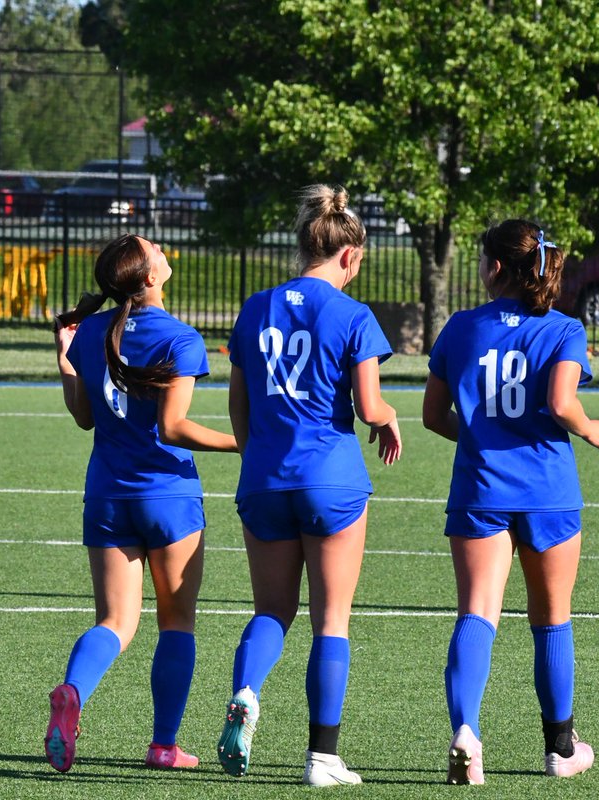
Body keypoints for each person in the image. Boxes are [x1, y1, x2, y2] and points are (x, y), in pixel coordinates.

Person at [422, 219, 599, 785]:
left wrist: (483, 436)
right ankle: (560, 747)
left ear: (495, 268)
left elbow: (434, 416)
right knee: (551, 618)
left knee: (477, 611)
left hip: (481, 490)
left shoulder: (460, 328)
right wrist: (591, 427)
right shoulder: (563, 329)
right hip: (547, 493)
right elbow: (561, 402)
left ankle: (465, 731)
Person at [218, 184, 402, 786]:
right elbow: (370, 406)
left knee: (272, 610)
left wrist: (259, 457)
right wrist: (389, 417)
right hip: (331, 480)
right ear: (348, 256)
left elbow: (238, 406)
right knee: (332, 621)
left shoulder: (255, 307)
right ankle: (322, 758)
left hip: (264, 479)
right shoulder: (353, 314)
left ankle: (246, 691)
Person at [45, 232, 239, 773]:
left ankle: (72, 694)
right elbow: (172, 428)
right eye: (153, 248)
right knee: (176, 621)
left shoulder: (92, 336)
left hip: (108, 494)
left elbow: (85, 416)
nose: (160, 249)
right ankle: (163, 745)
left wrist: (66, 360)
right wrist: (242, 441)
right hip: (168, 497)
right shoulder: (180, 338)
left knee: (114, 621)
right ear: (148, 277)